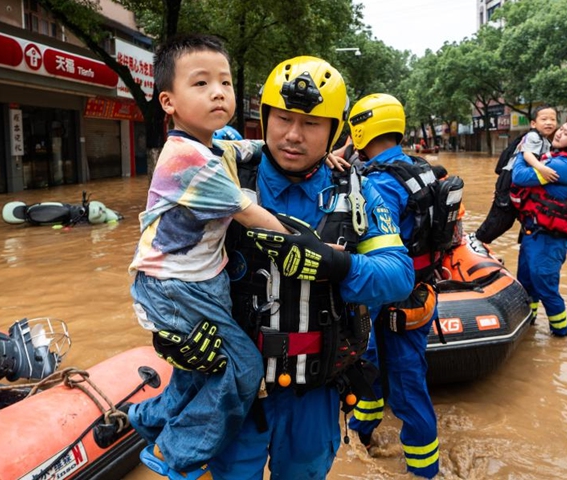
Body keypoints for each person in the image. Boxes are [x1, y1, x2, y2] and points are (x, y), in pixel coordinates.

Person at [154, 56, 411, 480]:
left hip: (315, 393)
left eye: (311, 124)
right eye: (283, 119)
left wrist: (338, 264)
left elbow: (398, 275)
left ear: (334, 130)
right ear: (264, 116)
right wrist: (171, 335)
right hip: (233, 388)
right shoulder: (220, 171)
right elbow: (161, 258)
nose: (293, 135)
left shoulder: (357, 191)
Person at [126, 34, 289, 480]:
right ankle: (175, 453)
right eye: (200, 84)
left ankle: (149, 418)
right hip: (174, 284)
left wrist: (319, 149)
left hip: (200, 278)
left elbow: (246, 149)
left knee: (202, 369)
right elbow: (254, 215)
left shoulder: (212, 145)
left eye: (225, 82)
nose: (218, 92)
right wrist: (316, 250)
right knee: (241, 366)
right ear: (168, 101)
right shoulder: (188, 160)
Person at [344, 93, 440, 478]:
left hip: (390, 300)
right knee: (385, 373)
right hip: (419, 294)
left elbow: (364, 243)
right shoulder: (421, 169)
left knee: (402, 387)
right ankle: (360, 432)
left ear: (361, 128)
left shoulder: (379, 183)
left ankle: (423, 470)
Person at [510, 116, 567, 337]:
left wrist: (524, 152)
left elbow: (519, 176)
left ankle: (560, 335)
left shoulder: (564, 165)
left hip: (549, 240)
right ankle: (529, 325)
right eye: (563, 128)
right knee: (527, 285)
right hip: (534, 234)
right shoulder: (556, 158)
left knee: (546, 289)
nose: (560, 133)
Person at [475, 105, 558, 244]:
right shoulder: (532, 136)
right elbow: (527, 155)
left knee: (509, 217)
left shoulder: (545, 141)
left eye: (553, 119)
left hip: (518, 180)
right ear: (533, 123)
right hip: (510, 177)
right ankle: (477, 240)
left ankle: (481, 239)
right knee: (501, 217)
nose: (549, 122)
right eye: (544, 119)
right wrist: (541, 168)